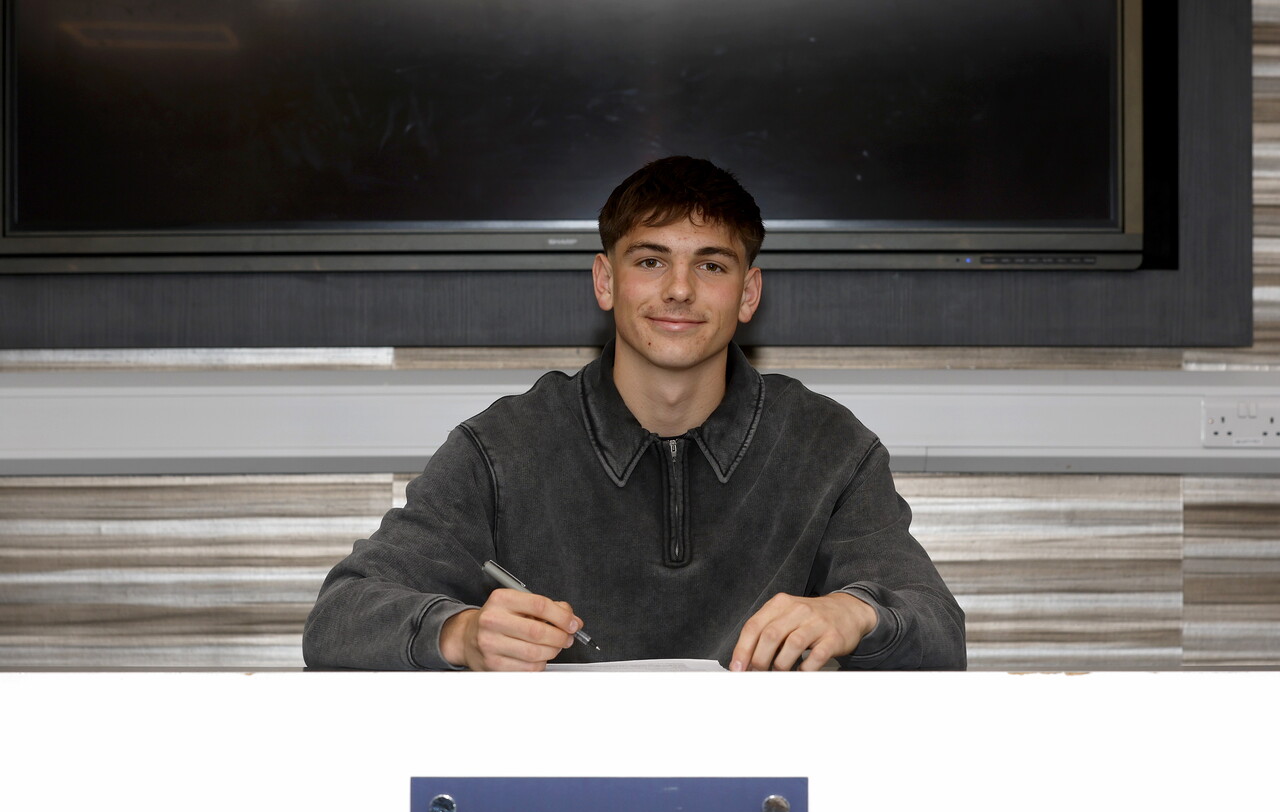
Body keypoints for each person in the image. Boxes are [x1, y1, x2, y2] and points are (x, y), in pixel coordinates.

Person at [303, 156, 965, 671]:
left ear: (748, 293)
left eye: (711, 265)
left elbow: (939, 631)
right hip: (555, 780)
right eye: (651, 261)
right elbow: (338, 616)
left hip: (766, 778)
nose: (679, 289)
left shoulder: (829, 447)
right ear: (605, 280)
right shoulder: (502, 448)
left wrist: (857, 614)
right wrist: (462, 632)